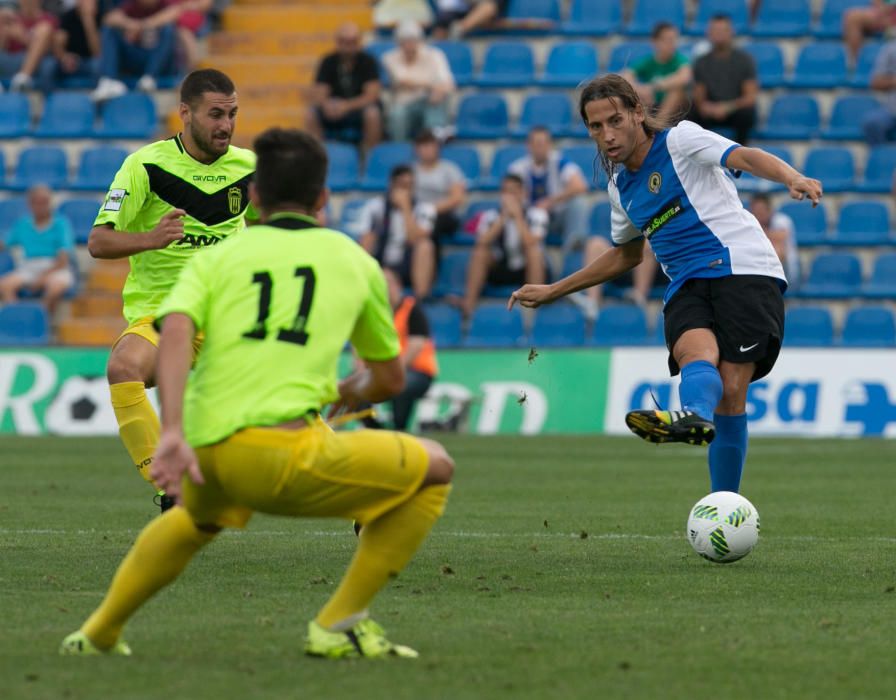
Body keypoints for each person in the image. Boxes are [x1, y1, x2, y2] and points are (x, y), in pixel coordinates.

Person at [60, 127, 454, 660]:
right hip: (288, 457)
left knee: (192, 521)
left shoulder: (216, 257)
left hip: (214, 451)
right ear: (322, 199)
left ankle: (99, 631)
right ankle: (339, 621)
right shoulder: (352, 260)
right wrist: (346, 389)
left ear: (255, 197)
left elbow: (175, 333)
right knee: (434, 468)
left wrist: (172, 430)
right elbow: (387, 381)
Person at [509, 74, 822, 494]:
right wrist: (552, 290)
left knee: (731, 390)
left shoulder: (680, 141)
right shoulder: (620, 188)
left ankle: (723, 504)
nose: (607, 135)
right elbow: (626, 255)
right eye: (596, 127)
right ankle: (691, 415)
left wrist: (791, 177)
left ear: (638, 112)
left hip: (742, 268)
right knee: (695, 353)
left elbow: (742, 156)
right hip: (687, 283)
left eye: (615, 121)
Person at [86, 68, 256, 511]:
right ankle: (173, 490)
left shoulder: (249, 168)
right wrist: (150, 238)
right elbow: (99, 241)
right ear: (185, 113)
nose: (226, 125)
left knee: (290, 404)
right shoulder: (145, 166)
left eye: (233, 114)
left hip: (228, 313)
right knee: (124, 367)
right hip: (166, 312)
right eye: (216, 114)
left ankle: (364, 505)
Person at [363, 267, 438, 431]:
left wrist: (389, 371)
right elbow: (359, 345)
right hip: (381, 370)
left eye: (388, 282)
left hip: (416, 370)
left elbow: (416, 345)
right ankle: (375, 430)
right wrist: (364, 372)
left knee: (403, 386)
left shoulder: (412, 309)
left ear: (399, 286)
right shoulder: (370, 311)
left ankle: (399, 430)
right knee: (355, 387)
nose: (384, 287)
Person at [462, 173, 546, 317]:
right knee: (480, 252)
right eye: (506, 192)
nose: (510, 197)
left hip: (526, 268)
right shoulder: (491, 216)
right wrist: (503, 218)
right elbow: (482, 241)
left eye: (514, 192)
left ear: (523, 193)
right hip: (502, 266)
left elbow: (531, 241)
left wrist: (518, 217)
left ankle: (535, 314)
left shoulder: (536, 214)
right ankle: (468, 308)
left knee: (534, 251)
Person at [508, 126, 589, 254]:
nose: (541, 148)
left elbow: (580, 185)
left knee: (579, 202)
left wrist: (550, 201)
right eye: (537, 144)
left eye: (544, 143)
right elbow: (509, 196)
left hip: (556, 217)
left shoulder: (559, 161)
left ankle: (573, 250)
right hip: (529, 219)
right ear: (528, 145)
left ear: (550, 145)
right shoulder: (517, 168)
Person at [360, 164, 437, 300]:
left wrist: (405, 208)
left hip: (409, 264)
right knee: (367, 239)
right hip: (383, 262)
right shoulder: (375, 207)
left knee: (425, 246)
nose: (405, 191)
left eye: (409, 186)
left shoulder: (425, 209)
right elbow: (366, 241)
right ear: (392, 185)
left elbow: (413, 239)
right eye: (402, 185)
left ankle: (421, 300)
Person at [305, 22, 382, 153]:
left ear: (358, 42)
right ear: (337, 42)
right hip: (333, 109)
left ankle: (370, 157)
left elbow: (371, 95)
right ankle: (317, 156)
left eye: (352, 41)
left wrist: (346, 106)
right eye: (344, 41)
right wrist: (326, 104)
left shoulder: (368, 61)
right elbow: (320, 92)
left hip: (358, 109)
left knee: (372, 114)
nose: (348, 46)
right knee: (310, 113)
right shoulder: (328, 61)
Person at [0, 184, 75, 313]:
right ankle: (18, 316)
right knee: (5, 285)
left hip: (54, 267)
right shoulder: (23, 224)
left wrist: (42, 278)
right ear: (30, 204)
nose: (41, 207)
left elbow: (63, 260)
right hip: (29, 267)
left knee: (55, 287)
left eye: (45, 202)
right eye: (37, 203)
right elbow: (4, 244)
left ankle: (40, 319)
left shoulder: (61, 224)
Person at [381, 19, 454, 141]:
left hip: (429, 100)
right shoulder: (389, 58)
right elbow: (402, 80)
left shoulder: (435, 55)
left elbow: (447, 84)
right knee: (397, 115)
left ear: (420, 41)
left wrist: (435, 89)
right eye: (404, 41)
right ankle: (400, 150)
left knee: (436, 104)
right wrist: (431, 85)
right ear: (398, 43)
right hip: (403, 104)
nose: (409, 45)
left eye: (413, 41)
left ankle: (433, 146)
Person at [690, 14, 758, 145]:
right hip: (711, 111)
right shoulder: (701, 62)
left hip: (735, 110)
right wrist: (707, 107)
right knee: (691, 113)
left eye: (723, 30)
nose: (719, 35)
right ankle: (699, 154)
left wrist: (727, 107)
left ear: (731, 32)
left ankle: (741, 155)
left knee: (747, 114)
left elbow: (750, 97)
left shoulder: (745, 60)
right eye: (715, 31)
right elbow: (699, 96)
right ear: (709, 33)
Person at [90, 0, 177, 102]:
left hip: (157, 62)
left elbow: (174, 13)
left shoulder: (164, 4)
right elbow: (109, 18)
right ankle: (109, 80)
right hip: (135, 57)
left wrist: (143, 26)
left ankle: (150, 78)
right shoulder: (132, 5)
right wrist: (129, 24)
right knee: (110, 30)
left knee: (168, 30)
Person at [622, 22, 691, 122]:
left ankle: (658, 125)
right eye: (667, 40)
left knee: (676, 91)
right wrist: (641, 89)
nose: (672, 44)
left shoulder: (680, 59)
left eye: (674, 39)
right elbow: (625, 77)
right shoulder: (647, 61)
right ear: (654, 41)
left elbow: (684, 77)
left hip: (676, 110)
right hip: (651, 104)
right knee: (635, 93)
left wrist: (654, 87)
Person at [412, 128, 467, 242]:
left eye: (431, 145)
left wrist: (431, 209)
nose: (427, 149)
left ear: (438, 147)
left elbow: (457, 198)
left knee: (429, 225)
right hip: (416, 213)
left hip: (444, 215)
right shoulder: (411, 171)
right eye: (423, 145)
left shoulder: (450, 169)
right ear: (417, 149)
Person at [0, 0, 55, 92]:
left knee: (44, 29)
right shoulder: (11, 19)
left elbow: (49, 48)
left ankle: (23, 78)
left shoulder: (48, 19)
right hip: (9, 60)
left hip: (37, 63)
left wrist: (23, 37)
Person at [49, 0, 104, 90]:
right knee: (49, 66)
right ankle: (51, 99)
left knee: (98, 65)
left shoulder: (100, 18)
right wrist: (64, 57)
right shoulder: (68, 16)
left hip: (89, 61)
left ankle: (97, 97)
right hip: (70, 59)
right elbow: (58, 43)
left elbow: (97, 52)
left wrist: (88, 20)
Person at [749, 193, 798, 288]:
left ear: (769, 210)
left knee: (776, 249)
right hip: (759, 271)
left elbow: (781, 237)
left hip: (787, 272)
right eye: (756, 212)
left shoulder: (782, 220)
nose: (759, 215)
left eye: (761, 211)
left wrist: (757, 233)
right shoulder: (749, 221)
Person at [862, 38, 896, 145]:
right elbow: (876, 82)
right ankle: (879, 159)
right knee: (872, 123)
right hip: (891, 110)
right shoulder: (891, 49)